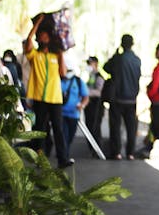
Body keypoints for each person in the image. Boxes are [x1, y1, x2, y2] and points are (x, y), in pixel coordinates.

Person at [22, 12, 73, 169]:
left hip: (55, 98)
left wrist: (61, 53)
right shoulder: (34, 55)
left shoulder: (55, 56)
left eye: (46, 35)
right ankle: (39, 159)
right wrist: (37, 24)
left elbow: (63, 73)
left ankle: (63, 159)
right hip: (39, 97)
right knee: (40, 129)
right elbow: (28, 41)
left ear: (50, 38)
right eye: (41, 35)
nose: (43, 37)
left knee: (58, 128)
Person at [104, 34, 142, 160]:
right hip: (131, 99)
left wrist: (115, 54)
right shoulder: (137, 60)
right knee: (131, 127)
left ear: (122, 44)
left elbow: (106, 67)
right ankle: (130, 153)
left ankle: (117, 152)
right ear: (132, 44)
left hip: (117, 98)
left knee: (115, 126)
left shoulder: (118, 59)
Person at [60, 67, 89, 154]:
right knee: (64, 135)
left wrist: (82, 105)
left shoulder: (78, 82)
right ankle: (64, 155)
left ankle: (65, 152)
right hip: (61, 113)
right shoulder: (58, 80)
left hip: (74, 114)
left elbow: (85, 97)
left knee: (70, 136)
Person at [84, 56, 105, 153]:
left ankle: (97, 149)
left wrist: (86, 92)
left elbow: (99, 92)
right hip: (89, 106)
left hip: (96, 106)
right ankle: (92, 149)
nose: (88, 65)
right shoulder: (90, 76)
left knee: (95, 127)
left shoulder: (99, 77)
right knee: (89, 126)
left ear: (96, 64)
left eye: (90, 63)